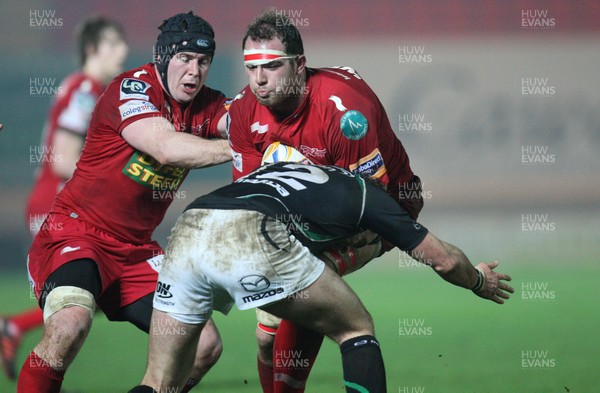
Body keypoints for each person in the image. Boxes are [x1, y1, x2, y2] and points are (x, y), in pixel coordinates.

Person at [127, 162, 514, 393]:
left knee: (160, 380)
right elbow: (443, 259)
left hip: (190, 224)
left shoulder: (309, 174)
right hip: (245, 231)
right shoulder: (372, 199)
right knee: (356, 327)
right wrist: (479, 281)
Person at [17, 11, 231, 393]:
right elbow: (165, 148)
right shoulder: (132, 88)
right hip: (79, 231)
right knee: (69, 327)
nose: (194, 71)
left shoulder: (208, 104)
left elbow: (249, 120)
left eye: (203, 62)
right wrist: (241, 147)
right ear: (163, 58)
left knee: (203, 345)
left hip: (136, 250)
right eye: (184, 59)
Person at [227, 9, 424, 392]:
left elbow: (370, 204)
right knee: (266, 334)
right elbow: (251, 200)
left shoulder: (345, 111)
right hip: (301, 215)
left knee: (310, 282)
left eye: (272, 66)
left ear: (300, 65)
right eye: (252, 68)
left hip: (385, 205)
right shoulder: (242, 110)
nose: (260, 79)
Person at [0, 17, 128, 381]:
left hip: (60, 204)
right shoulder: (86, 90)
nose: (122, 51)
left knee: (103, 290)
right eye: (113, 44)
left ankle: (16, 331)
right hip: (58, 205)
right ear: (92, 49)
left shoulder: (87, 88)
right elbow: (63, 158)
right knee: (94, 292)